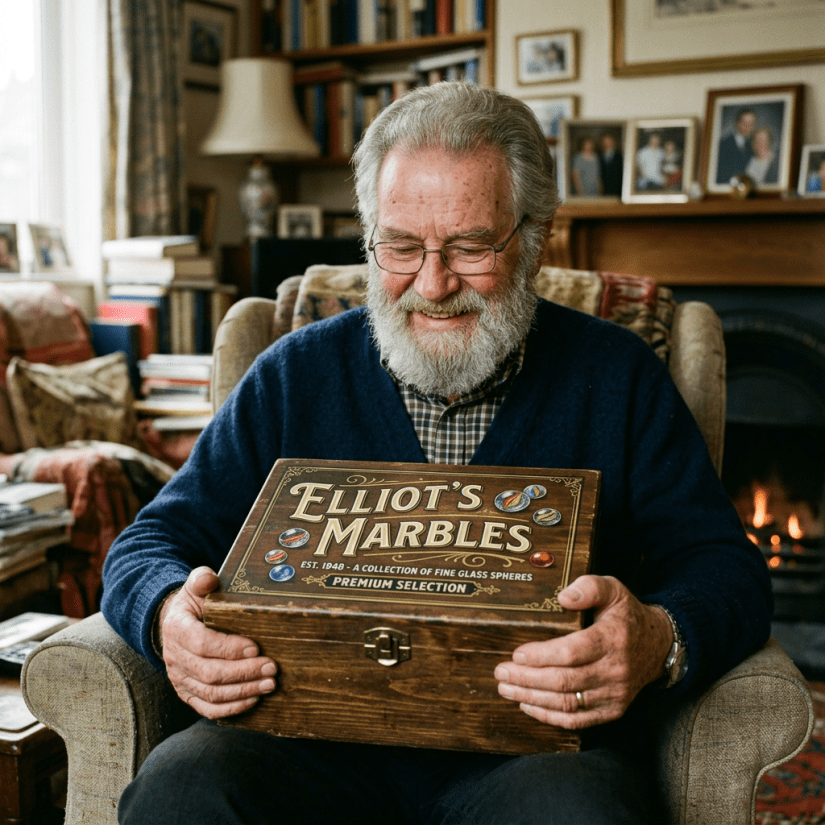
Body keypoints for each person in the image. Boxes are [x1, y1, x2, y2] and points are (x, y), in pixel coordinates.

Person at [102, 82, 772, 825]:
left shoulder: (616, 377)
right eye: (400, 245)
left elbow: (725, 565)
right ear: (368, 237)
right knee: (181, 790)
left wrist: (655, 639)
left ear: (534, 235)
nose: (433, 283)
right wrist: (166, 614)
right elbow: (149, 541)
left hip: (533, 756)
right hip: (301, 740)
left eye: (469, 246)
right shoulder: (293, 376)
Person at [716, 107, 756, 184]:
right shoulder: (723, 144)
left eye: (751, 124)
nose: (748, 127)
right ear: (737, 123)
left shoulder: (753, 146)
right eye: (744, 123)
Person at [598, 132, 623, 196]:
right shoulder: (598, 156)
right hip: (602, 190)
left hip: (617, 190)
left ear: (613, 142)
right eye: (605, 141)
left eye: (609, 141)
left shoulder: (619, 156)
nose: (607, 143)